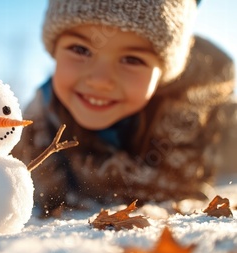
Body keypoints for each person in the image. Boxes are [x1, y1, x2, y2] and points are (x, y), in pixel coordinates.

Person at [13, 0, 236, 217]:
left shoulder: (213, 123)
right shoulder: (25, 133)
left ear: (163, 74)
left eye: (132, 59)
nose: (100, 81)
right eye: (80, 49)